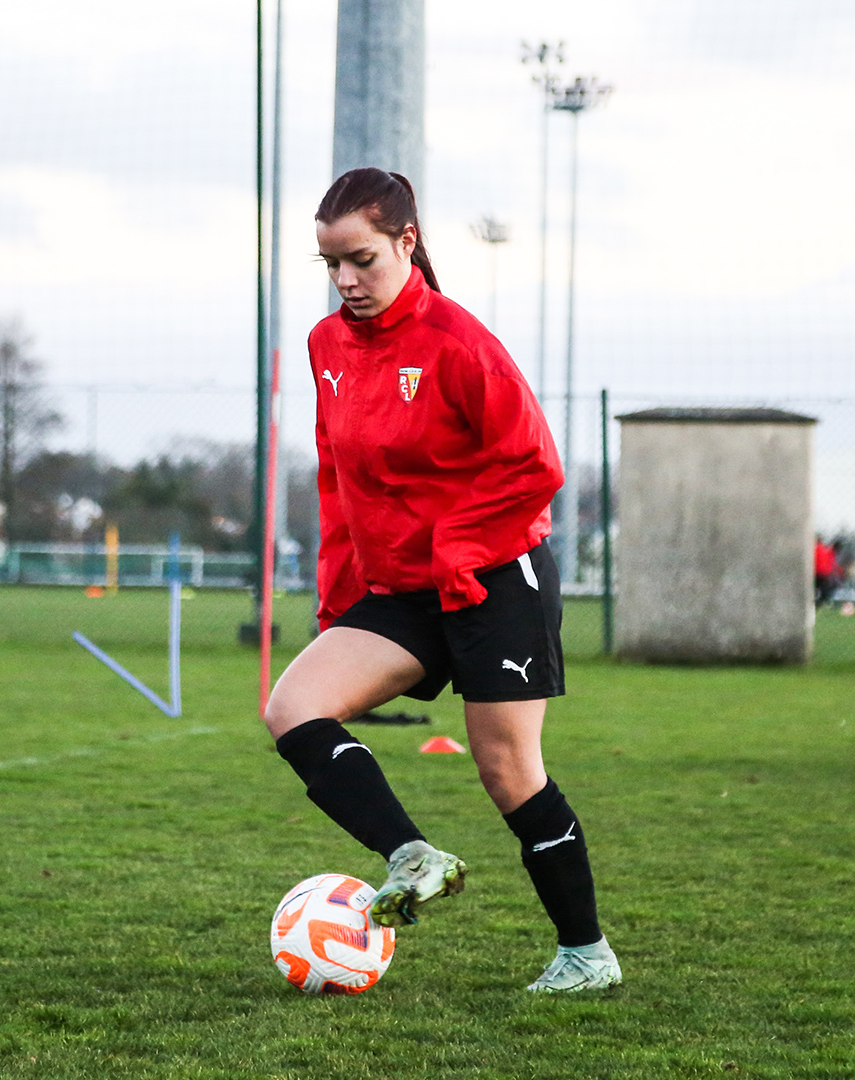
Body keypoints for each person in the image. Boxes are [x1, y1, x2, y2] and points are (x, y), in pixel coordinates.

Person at [263, 167, 618, 994]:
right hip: (402, 586)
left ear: (407, 244)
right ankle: (411, 855)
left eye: (362, 260)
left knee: (507, 771)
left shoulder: (460, 344)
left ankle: (585, 954)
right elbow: (335, 478)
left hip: (496, 574)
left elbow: (535, 467)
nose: (347, 281)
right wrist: (338, 591)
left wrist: (455, 545)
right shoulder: (328, 348)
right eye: (330, 265)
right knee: (293, 708)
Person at [814, 536, 838, 605]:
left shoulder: (814, 548)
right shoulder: (825, 549)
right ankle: (821, 600)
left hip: (816, 572)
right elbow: (831, 560)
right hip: (825, 573)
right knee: (823, 588)